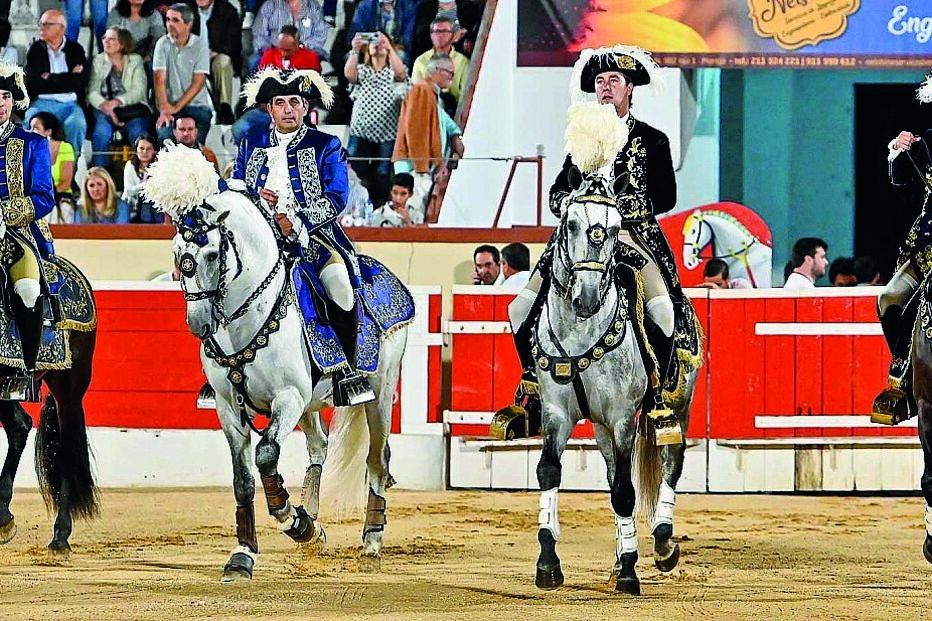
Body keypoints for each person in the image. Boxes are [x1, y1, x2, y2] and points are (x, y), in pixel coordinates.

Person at [496, 45, 690, 436]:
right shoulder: (579, 139)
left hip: (632, 239)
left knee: (665, 313)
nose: (605, 88)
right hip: (578, 243)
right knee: (519, 309)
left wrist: (616, 207)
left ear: (629, 88)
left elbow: (666, 198)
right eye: (600, 82)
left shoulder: (653, 139)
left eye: (613, 81)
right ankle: (533, 391)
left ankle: (655, 400)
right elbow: (556, 193)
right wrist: (568, 202)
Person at [229, 67, 374, 407]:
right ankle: (221, 373)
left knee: (340, 285)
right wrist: (253, 198)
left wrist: (295, 221)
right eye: (281, 102)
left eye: (295, 101)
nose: (288, 109)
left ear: (307, 107)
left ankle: (346, 373)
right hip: (257, 241)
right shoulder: (250, 144)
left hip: (313, 239)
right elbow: (236, 187)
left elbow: (336, 196)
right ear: (270, 108)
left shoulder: (327, 145)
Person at [872, 84, 932, 423]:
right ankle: (902, 380)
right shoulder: (927, 143)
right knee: (890, 298)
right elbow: (907, 195)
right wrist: (898, 153)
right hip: (927, 250)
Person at [0, 62, 59, 397]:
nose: (0, 103)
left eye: (6, 95)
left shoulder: (33, 143)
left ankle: (27, 368)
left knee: (26, 287)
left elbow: (44, 197)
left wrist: (5, 213)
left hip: (19, 235)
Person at [393, 53, 464, 216]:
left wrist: (454, 134)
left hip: (421, 165)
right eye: (450, 72)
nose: (452, 78)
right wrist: (423, 167)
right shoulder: (422, 90)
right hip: (415, 167)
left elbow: (442, 119)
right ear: (437, 70)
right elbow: (415, 131)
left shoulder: (430, 93)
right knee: (412, 211)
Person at [345, 30, 407, 206]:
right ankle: (358, 202)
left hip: (387, 132)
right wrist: (355, 50)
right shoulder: (362, 70)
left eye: (381, 43)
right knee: (357, 167)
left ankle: (379, 205)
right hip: (361, 130)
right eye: (373, 42)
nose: (377, 45)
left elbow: (401, 74)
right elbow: (349, 74)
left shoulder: (393, 71)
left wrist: (389, 47)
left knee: (382, 172)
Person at [231, 25, 322, 146]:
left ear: (297, 44)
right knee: (239, 129)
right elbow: (260, 88)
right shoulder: (269, 56)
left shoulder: (310, 59)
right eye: (281, 49)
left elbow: (312, 93)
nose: (283, 54)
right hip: (268, 110)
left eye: (288, 50)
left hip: (295, 112)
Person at [23, 10, 89, 157]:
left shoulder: (75, 49)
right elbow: (33, 83)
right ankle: (32, 168)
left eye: (47, 24)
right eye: (41, 24)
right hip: (42, 102)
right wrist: (69, 77)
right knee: (30, 120)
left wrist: (51, 78)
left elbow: (81, 81)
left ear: (61, 28)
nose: (42, 28)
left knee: (77, 124)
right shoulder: (36, 50)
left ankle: (71, 169)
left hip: (70, 102)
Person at [88, 27, 151, 168]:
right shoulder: (98, 60)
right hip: (104, 107)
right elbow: (92, 91)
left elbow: (138, 90)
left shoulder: (135, 60)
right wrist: (107, 107)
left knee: (138, 133)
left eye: (111, 39)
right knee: (101, 132)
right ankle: (100, 173)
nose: (106, 41)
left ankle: (142, 173)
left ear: (122, 43)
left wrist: (117, 102)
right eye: (104, 38)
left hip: (132, 108)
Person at [153, 3, 212, 146]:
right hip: (169, 106)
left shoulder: (200, 45)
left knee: (194, 141)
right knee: (164, 137)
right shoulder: (162, 43)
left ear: (188, 24)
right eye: (168, 20)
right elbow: (159, 79)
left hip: (196, 106)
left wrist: (176, 107)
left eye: (175, 20)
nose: (170, 24)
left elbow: (198, 82)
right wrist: (165, 109)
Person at [191, 0, 241, 125]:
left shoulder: (227, 10)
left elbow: (233, 42)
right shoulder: (187, 10)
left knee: (223, 62)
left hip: (216, 55)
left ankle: (224, 108)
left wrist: (215, 52)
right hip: (191, 57)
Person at [251, 0, 331, 72]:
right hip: (274, 53)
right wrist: (273, 51)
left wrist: (302, 47)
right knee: (253, 63)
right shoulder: (269, 6)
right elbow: (259, 34)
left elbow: (321, 35)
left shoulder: (314, 7)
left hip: (306, 52)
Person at [411, 16, 469, 111]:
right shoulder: (421, 61)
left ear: (453, 35)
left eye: (445, 32)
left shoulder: (463, 61)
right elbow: (416, 94)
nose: (440, 35)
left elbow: (465, 97)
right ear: (431, 35)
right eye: (436, 32)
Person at [28, 112, 77, 224]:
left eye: (35, 128)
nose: (30, 132)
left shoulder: (65, 147)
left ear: (48, 132)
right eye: (30, 128)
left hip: (60, 198)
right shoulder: (29, 151)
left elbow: (65, 184)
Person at [122, 134, 161, 223]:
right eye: (141, 148)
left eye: (149, 149)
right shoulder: (130, 166)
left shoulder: (159, 167)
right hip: (132, 205)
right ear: (136, 150)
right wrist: (149, 185)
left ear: (154, 151)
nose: (145, 152)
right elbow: (129, 191)